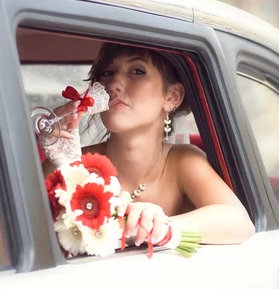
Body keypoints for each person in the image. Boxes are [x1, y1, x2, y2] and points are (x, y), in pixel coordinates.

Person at [41, 42, 255, 247]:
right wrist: (64, 166)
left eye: (137, 72)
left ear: (171, 97)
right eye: (108, 73)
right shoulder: (69, 161)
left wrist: (159, 226)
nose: (114, 84)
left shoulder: (182, 162)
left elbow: (240, 222)